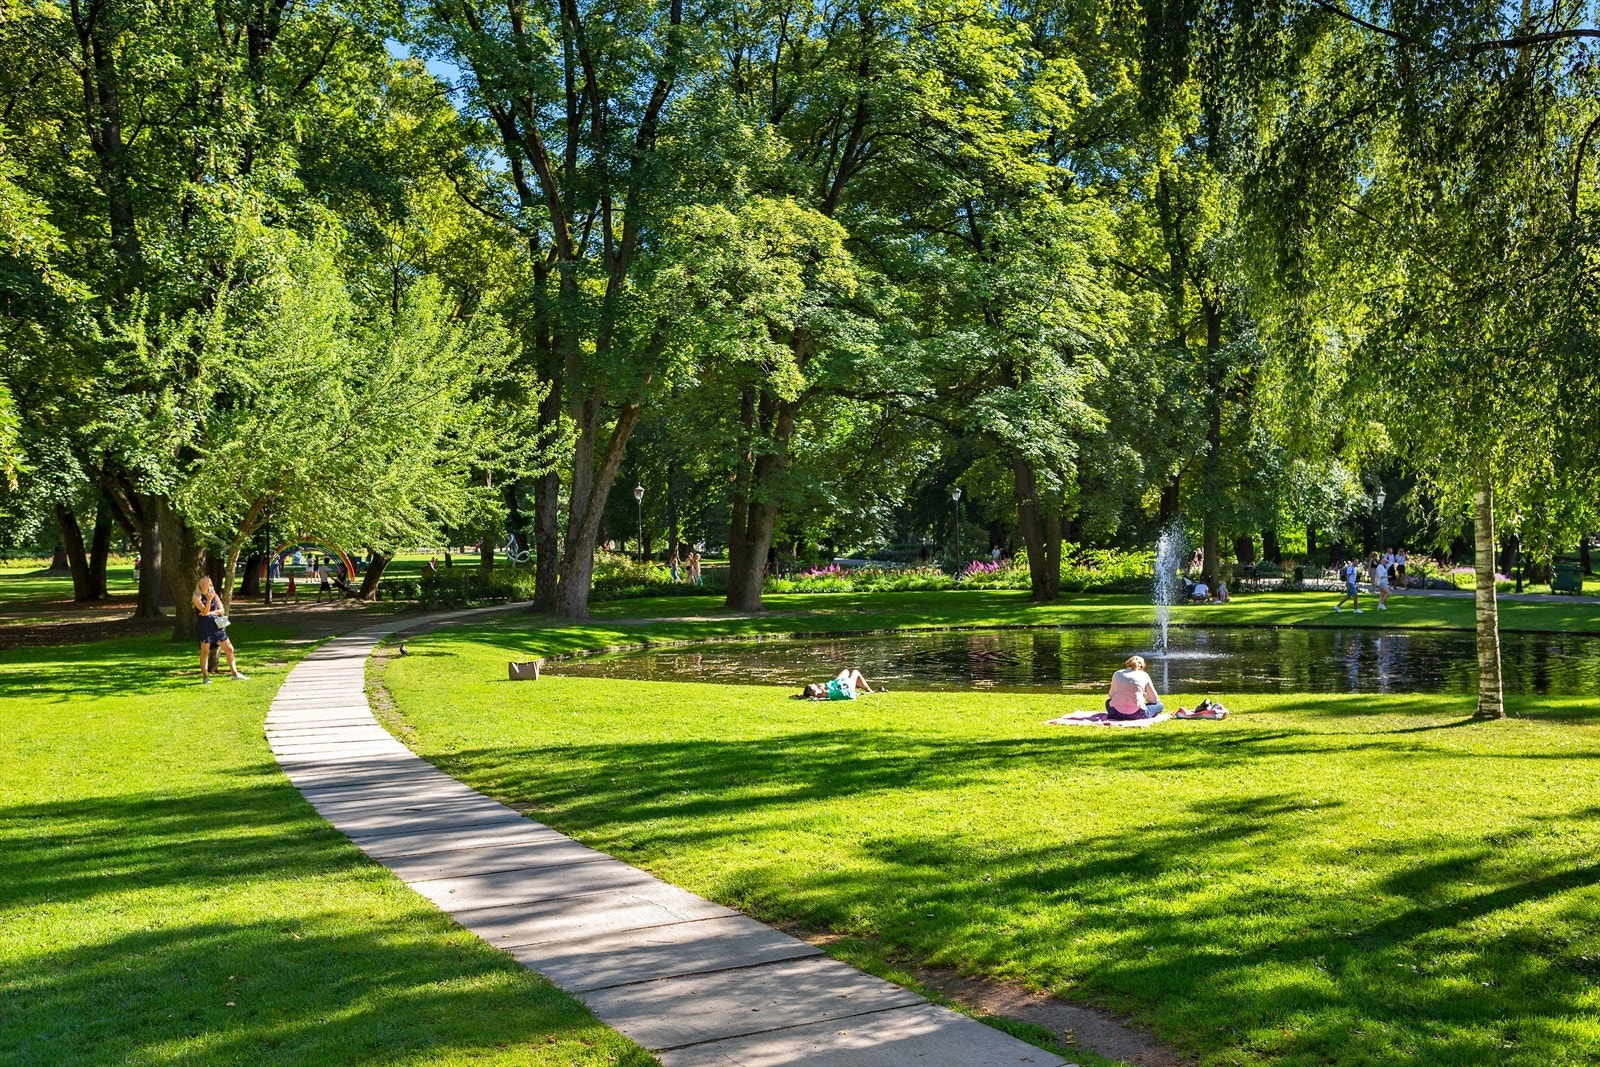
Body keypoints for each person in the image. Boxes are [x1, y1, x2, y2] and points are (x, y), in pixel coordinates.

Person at [193, 577, 245, 683]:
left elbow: (221, 610)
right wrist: (209, 600)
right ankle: (206, 677)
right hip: (205, 626)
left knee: (229, 649)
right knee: (205, 652)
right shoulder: (196, 596)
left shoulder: (214, 594)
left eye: (208, 583)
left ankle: (235, 674)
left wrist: (210, 613)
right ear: (199, 585)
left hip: (217, 625)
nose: (206, 586)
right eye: (204, 584)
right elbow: (204, 610)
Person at [1106, 655, 1162, 720]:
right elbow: (1154, 699)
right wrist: (1144, 697)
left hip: (1116, 713)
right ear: (1142, 667)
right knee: (1160, 705)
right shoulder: (1144, 675)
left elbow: (1111, 695)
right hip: (1136, 714)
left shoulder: (1117, 673)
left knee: (1108, 702)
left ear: (1127, 664)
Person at [802, 668, 874, 701]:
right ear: (814, 690)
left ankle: (867, 689)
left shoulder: (818, 693)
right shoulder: (820, 690)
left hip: (838, 684)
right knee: (855, 672)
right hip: (848, 689)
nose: (814, 684)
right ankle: (869, 690)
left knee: (846, 671)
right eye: (812, 684)